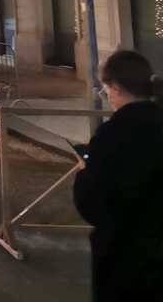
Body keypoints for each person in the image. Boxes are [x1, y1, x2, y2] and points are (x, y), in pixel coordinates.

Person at [73, 50, 163, 301]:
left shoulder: (111, 134)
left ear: (115, 87)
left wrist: (83, 174)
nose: (107, 97)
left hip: (124, 257)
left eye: (106, 90)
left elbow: (92, 204)